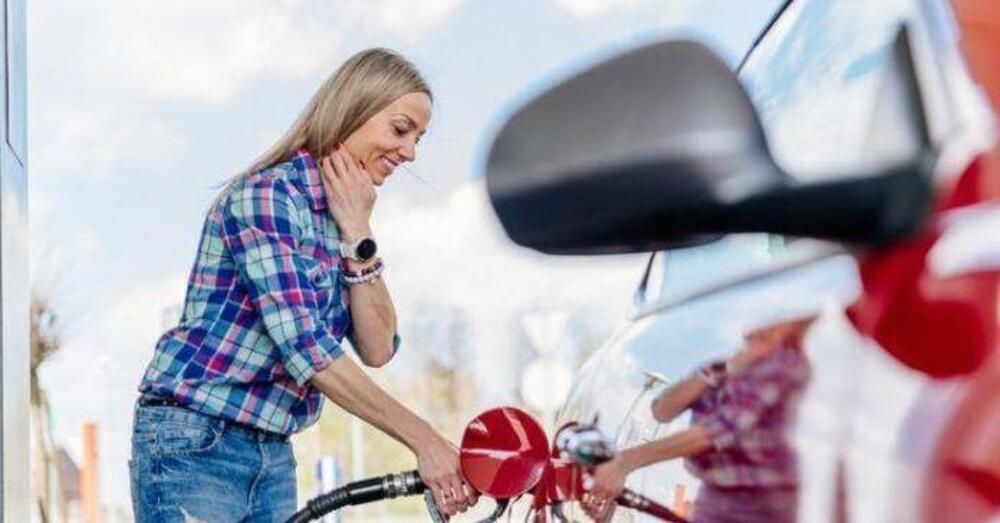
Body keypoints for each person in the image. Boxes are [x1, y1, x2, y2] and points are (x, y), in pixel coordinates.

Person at [129, 48, 477, 522]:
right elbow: (308, 351)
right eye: (400, 129)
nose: (410, 152)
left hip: (271, 448)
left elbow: (378, 348)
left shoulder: (342, 219)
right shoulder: (267, 198)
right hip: (197, 438)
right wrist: (426, 440)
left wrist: (359, 232)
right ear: (351, 111)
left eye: (418, 137)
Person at [581, 318, 813, 523]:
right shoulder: (727, 364)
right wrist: (714, 372)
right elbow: (662, 410)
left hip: (764, 506)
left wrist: (624, 462)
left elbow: (717, 431)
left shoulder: (783, 365)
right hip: (715, 498)